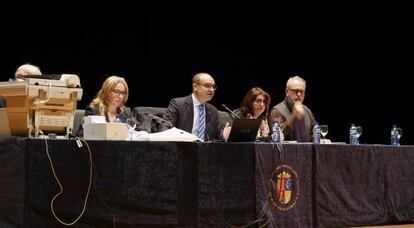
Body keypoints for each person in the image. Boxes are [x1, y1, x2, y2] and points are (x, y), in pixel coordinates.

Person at [161, 72, 231, 141]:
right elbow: (165, 128)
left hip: (206, 150)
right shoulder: (178, 104)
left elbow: (217, 136)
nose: (211, 90)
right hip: (181, 148)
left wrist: (223, 135)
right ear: (195, 87)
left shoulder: (213, 110)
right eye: (207, 86)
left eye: (213, 87)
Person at [268, 76, 317, 142]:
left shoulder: (307, 110)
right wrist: (293, 116)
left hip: (306, 151)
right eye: (296, 91)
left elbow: (313, 134)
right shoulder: (276, 111)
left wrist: (321, 140)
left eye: (301, 91)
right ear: (287, 92)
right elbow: (277, 137)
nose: (299, 94)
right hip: (286, 152)